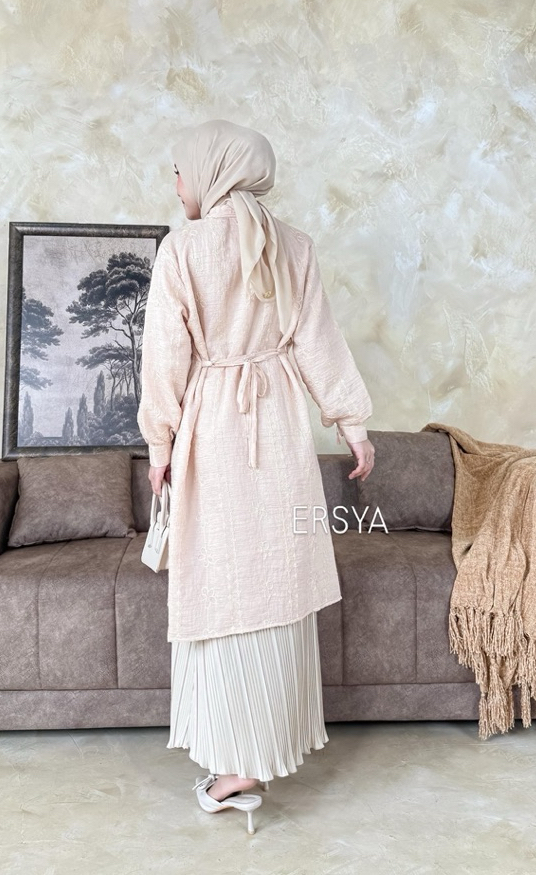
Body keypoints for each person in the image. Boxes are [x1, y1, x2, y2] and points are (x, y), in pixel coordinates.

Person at [136, 119, 375, 835]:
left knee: (219, 579)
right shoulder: (293, 244)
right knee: (275, 577)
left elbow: (165, 356)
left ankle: (233, 762)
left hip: (211, 426)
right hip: (279, 426)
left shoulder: (182, 249)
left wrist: (159, 444)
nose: (176, 183)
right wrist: (351, 424)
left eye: (179, 170)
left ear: (211, 171)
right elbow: (317, 340)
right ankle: (260, 753)